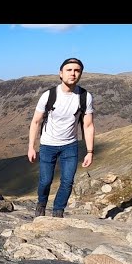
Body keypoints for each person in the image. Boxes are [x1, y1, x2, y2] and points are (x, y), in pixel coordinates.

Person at [27, 58, 95, 218]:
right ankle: (41, 204)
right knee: (45, 181)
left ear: (80, 74)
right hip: (48, 145)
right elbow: (36, 121)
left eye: (77, 70)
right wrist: (31, 146)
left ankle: (58, 212)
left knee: (67, 181)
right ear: (61, 73)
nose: (73, 73)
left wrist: (90, 151)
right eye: (69, 70)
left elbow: (88, 125)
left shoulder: (85, 96)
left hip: (70, 146)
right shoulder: (49, 95)